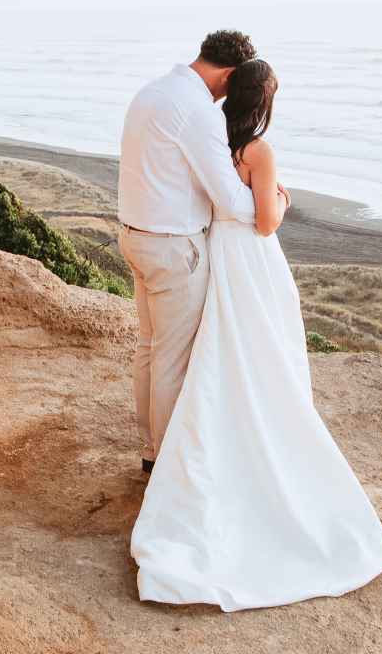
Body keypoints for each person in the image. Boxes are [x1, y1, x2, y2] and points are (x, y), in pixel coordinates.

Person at [128, 56, 382, 612]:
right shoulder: (257, 150)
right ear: (265, 101)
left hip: (218, 253)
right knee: (263, 350)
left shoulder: (215, 139)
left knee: (213, 351)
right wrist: (282, 200)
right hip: (250, 259)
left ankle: (167, 450)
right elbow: (266, 222)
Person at [118, 30, 278, 472]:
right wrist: (275, 200)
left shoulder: (151, 92)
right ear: (228, 75)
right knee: (172, 359)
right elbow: (233, 202)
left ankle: (151, 450)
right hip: (173, 249)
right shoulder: (197, 111)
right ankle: (170, 466)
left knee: (150, 348)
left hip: (135, 235)